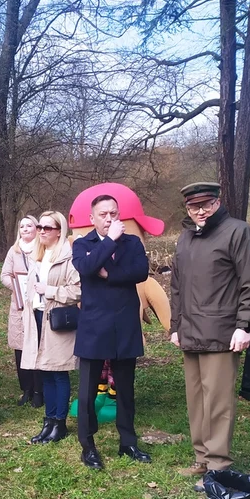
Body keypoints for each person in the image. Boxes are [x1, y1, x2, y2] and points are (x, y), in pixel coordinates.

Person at [169, 182, 250, 490]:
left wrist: (244, 325)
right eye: (193, 207)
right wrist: (175, 326)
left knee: (218, 401)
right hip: (190, 332)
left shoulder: (238, 232)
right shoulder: (185, 238)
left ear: (218, 202)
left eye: (206, 205)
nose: (200, 211)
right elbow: (177, 287)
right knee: (196, 400)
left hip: (223, 332)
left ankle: (218, 465)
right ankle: (201, 459)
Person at [73, 193, 152, 470]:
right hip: (94, 327)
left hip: (125, 325)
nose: (110, 218)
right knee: (87, 392)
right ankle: (88, 445)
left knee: (126, 389)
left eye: (114, 213)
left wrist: (110, 275)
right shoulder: (83, 244)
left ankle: (128, 442)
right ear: (92, 218)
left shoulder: (132, 242)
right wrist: (108, 242)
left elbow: (141, 272)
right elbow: (87, 267)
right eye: (104, 214)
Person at [21, 211, 81, 445]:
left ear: (59, 231)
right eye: (40, 227)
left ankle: (60, 423)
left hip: (57, 320)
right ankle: (48, 422)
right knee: (44, 371)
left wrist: (50, 291)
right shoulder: (38, 255)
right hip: (36, 318)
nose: (42, 231)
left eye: (47, 227)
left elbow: (78, 290)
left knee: (58, 372)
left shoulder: (68, 256)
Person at [1, 215, 44, 408]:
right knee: (20, 347)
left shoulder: (43, 247)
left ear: (37, 228)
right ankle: (26, 389)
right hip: (19, 304)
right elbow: (4, 275)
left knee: (37, 345)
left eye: (29, 225)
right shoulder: (14, 250)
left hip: (39, 303)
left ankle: (38, 390)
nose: (25, 229)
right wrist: (18, 287)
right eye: (22, 226)